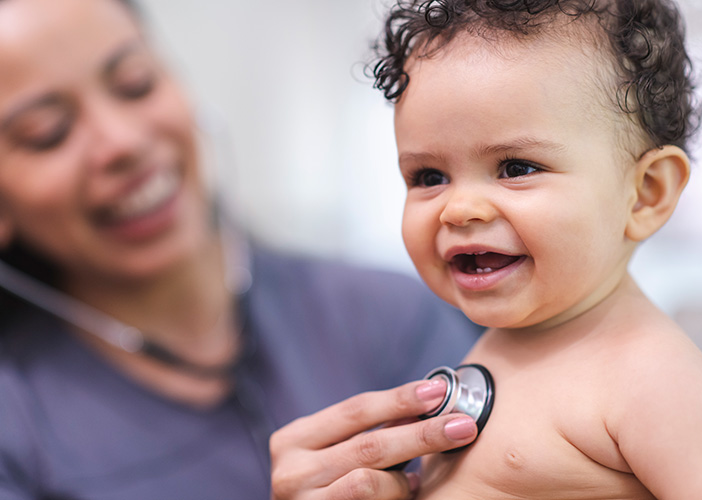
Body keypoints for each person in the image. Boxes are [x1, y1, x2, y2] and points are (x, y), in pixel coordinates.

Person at [0, 0, 484, 499]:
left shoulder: (388, 315)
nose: (120, 142)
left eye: (135, 83)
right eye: (46, 134)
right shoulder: (14, 426)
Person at [271, 0, 702, 498]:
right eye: (429, 177)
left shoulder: (653, 379)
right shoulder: (501, 345)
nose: (459, 209)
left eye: (516, 167)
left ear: (646, 193)